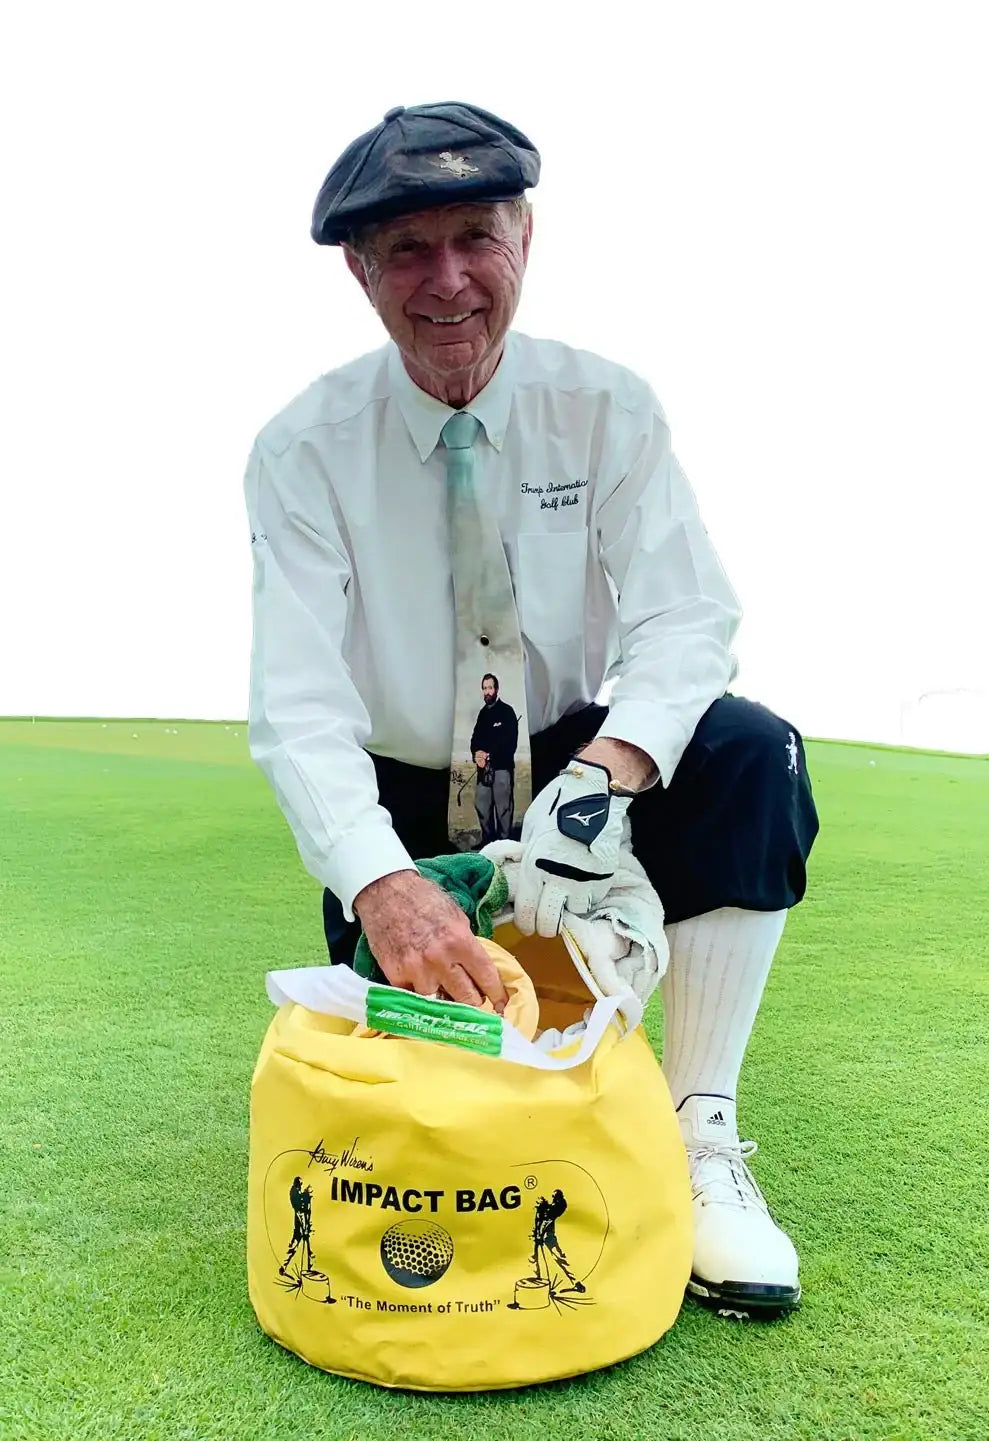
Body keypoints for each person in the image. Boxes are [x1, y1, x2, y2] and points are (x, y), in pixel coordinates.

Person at [244, 103, 819, 1319]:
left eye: (475, 237)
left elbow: (684, 619)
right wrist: (384, 888)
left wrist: (605, 777)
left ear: (525, 237)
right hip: (403, 797)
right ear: (358, 270)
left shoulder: (607, 408)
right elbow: (298, 709)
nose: (446, 281)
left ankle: (698, 1131)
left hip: (569, 761)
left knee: (750, 751)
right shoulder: (301, 451)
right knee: (441, 1117)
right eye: (406, 250)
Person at [470, 673, 518, 843]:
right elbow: (475, 740)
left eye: (490, 687)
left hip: (502, 769)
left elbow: (510, 743)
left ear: (496, 689)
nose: (487, 691)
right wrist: (476, 754)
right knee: (481, 805)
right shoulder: (482, 714)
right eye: (484, 688)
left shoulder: (507, 712)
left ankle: (504, 843)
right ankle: (488, 842)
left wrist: (490, 755)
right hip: (484, 770)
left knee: (503, 809)